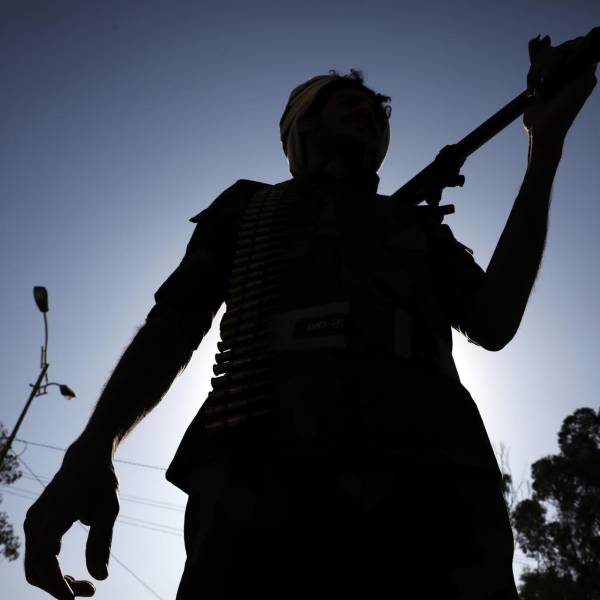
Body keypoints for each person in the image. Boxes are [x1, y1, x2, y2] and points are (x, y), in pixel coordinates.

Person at [24, 37, 596, 600]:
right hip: (259, 477)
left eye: (375, 112)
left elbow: (494, 320)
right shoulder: (249, 206)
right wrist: (96, 444)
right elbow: (172, 325)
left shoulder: (418, 229)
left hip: (437, 489)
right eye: (346, 102)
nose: (366, 113)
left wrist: (544, 150)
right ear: (301, 125)